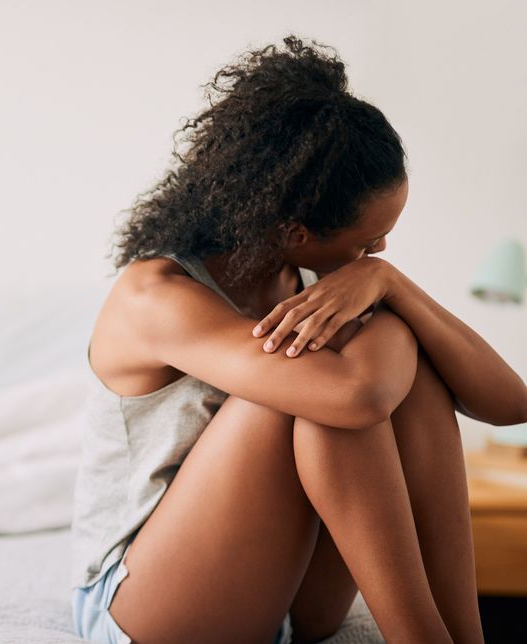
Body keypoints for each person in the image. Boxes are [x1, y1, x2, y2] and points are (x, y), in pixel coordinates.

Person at [71, 36, 526, 644]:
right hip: (139, 598)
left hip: (285, 590)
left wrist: (395, 288)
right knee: (305, 394)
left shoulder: (319, 282)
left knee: (393, 368)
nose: (380, 253)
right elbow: (354, 399)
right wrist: (392, 318)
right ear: (294, 231)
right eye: (370, 244)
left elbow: (509, 404)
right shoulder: (156, 296)